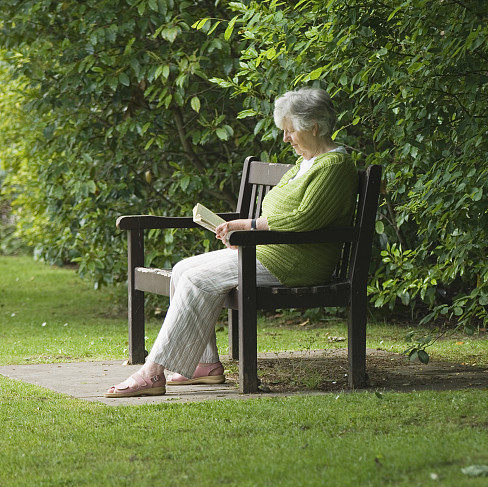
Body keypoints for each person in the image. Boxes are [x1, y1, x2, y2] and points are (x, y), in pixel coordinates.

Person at [106, 87, 357, 397]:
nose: (285, 138)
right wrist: (250, 234)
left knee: (198, 279)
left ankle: (153, 372)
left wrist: (248, 227)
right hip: (270, 251)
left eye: (290, 130)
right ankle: (204, 366)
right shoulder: (305, 163)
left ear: (314, 127)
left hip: (295, 263)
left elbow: (302, 219)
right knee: (184, 269)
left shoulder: (334, 165)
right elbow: (280, 209)